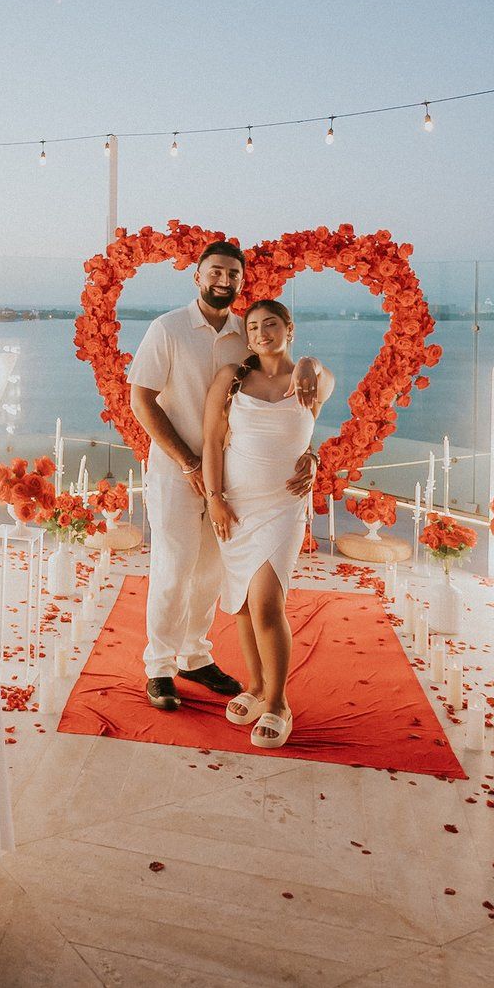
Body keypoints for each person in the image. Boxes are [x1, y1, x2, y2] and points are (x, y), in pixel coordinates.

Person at [128, 242, 330, 711]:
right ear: (197, 277)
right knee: (174, 567)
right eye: (215, 271)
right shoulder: (168, 328)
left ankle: (195, 655)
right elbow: (142, 402)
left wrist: (309, 376)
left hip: (235, 480)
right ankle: (159, 666)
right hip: (177, 469)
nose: (224, 280)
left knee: (213, 571)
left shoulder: (249, 331)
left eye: (233, 274)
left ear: (242, 280)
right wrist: (189, 462)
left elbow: (289, 404)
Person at [200, 298, 330, 748]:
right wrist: (214, 498)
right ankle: (254, 686)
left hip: (283, 506)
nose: (261, 333)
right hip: (236, 504)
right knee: (240, 601)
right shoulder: (231, 378)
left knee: (268, 603)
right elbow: (213, 442)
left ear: (288, 327)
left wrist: (310, 362)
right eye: (253, 326)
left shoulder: (312, 378)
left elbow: (314, 422)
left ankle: (278, 702)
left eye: (270, 324)